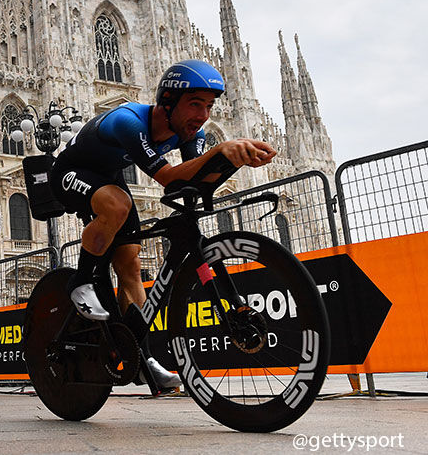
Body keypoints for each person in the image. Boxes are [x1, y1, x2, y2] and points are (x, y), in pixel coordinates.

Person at [48, 59, 276, 389]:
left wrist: (232, 160)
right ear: (167, 102)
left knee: (130, 264)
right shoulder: (130, 121)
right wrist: (221, 151)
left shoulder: (189, 132)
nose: (203, 116)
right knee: (118, 204)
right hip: (70, 172)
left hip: (109, 178)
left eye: (209, 106)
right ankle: (81, 281)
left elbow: (196, 176)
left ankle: (140, 356)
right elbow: (168, 177)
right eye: (195, 104)